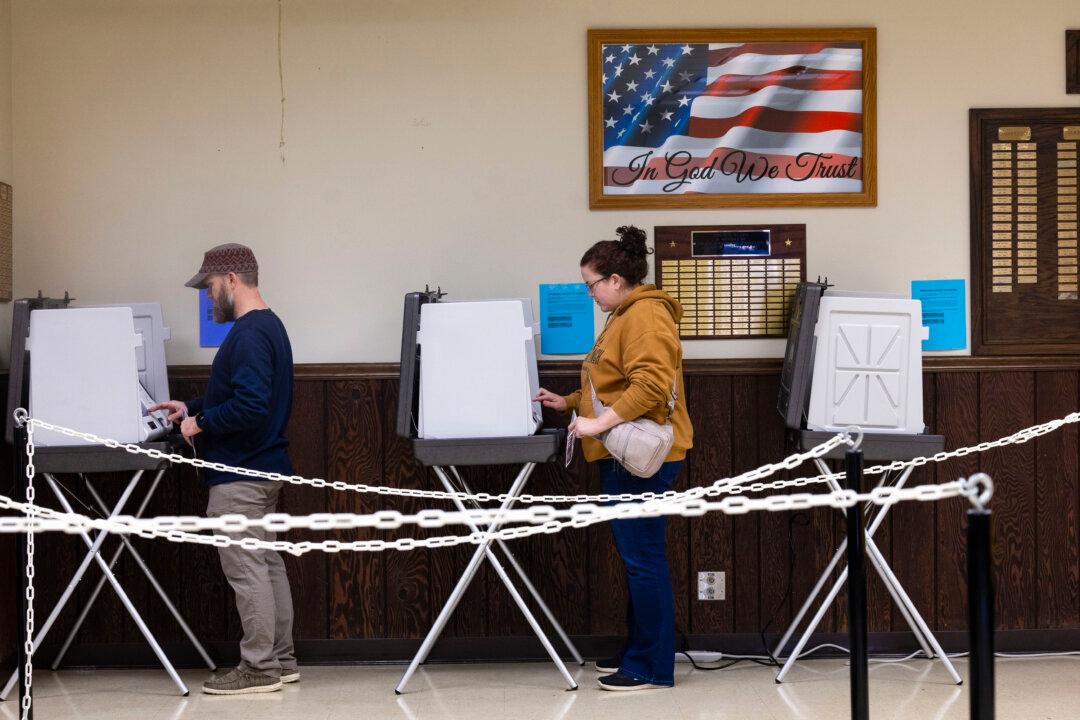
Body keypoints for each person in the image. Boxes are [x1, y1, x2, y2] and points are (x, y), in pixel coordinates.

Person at [535, 225, 693, 692]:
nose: (589, 294)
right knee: (638, 559)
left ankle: (650, 666)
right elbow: (612, 384)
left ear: (616, 280)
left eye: (591, 284)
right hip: (622, 455)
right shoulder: (625, 315)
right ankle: (638, 653)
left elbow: (648, 385)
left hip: (640, 459)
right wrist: (568, 403)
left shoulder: (644, 316)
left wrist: (597, 425)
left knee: (644, 560)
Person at [150, 243, 298, 695]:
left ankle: (258, 667)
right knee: (267, 564)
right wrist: (191, 407)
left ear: (232, 279)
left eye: (210, 287)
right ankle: (281, 659)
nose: (208, 297)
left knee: (248, 570)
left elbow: (251, 405)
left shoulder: (249, 334)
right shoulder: (268, 327)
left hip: (240, 474)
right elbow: (247, 394)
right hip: (263, 469)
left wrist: (202, 422)